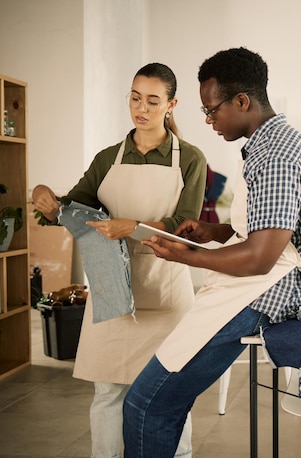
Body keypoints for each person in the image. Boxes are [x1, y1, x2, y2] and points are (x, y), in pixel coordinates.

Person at [122, 47, 301, 458]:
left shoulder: (275, 155)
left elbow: (260, 257)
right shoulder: (270, 144)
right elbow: (261, 230)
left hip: (257, 290)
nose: (209, 121)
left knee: (146, 404)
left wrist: (184, 255)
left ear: (241, 101)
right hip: (253, 283)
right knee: (159, 402)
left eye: (211, 110)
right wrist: (210, 231)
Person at [32, 63, 207, 458]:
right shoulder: (108, 158)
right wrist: (44, 197)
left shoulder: (190, 159)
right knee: (108, 392)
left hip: (165, 291)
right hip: (111, 288)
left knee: (169, 392)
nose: (140, 108)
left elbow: (186, 225)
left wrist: (134, 226)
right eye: (134, 97)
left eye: (152, 100)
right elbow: (69, 209)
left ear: (171, 105)